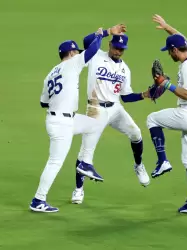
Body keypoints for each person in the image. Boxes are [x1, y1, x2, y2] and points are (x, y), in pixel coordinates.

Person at [29, 27, 109, 213]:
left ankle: (84, 163)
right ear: (71, 53)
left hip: (62, 119)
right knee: (55, 162)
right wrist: (102, 33)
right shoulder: (72, 64)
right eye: (76, 52)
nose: (79, 55)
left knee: (96, 124)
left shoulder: (51, 73)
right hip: (61, 125)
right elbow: (93, 50)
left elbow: (43, 102)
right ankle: (38, 200)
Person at [71, 28, 152, 204]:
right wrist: (107, 31)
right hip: (95, 109)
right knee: (85, 152)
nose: (117, 51)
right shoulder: (96, 55)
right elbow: (86, 40)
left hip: (115, 109)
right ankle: (78, 189)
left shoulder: (125, 70)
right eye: (115, 47)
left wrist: (144, 94)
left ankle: (138, 166)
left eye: (121, 49)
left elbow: (125, 97)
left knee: (136, 133)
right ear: (110, 45)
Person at [147, 14, 187, 213]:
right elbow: (180, 36)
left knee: (152, 119)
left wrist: (166, 84)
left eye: (170, 52)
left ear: (176, 50)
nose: (169, 55)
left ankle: (162, 160)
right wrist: (167, 27)